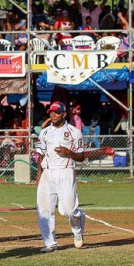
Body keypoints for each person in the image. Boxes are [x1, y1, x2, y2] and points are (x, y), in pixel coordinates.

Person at [35, 101, 86, 252]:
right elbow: (41, 154)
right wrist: (39, 174)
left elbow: (82, 156)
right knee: (44, 209)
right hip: (47, 173)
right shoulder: (44, 132)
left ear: (64, 114)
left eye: (57, 112)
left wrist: (68, 152)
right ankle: (50, 243)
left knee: (69, 211)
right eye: (51, 112)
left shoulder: (74, 132)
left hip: (65, 171)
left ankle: (77, 230)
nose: (53, 115)